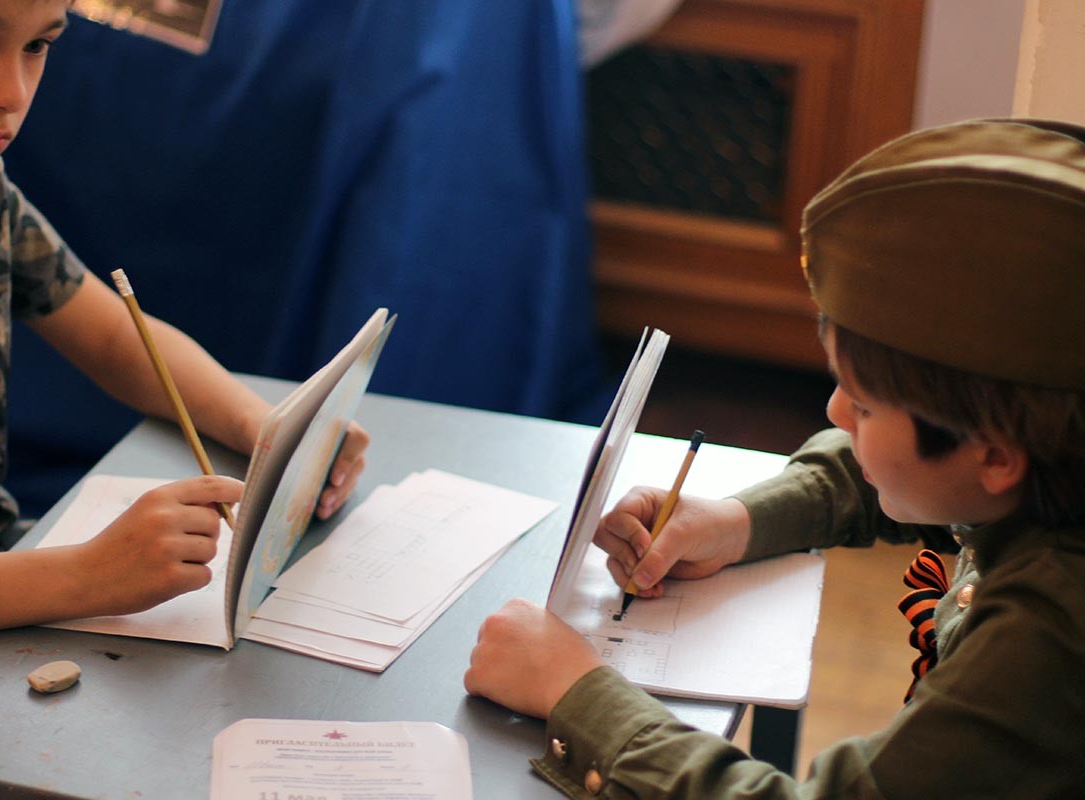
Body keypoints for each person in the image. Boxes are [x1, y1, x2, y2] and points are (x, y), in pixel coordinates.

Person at [464, 117, 1085, 798]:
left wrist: (577, 693)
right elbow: (891, 473)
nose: (835, 415)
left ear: (995, 454)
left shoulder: (1048, 638)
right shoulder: (1044, 462)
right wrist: (738, 521)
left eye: (864, 405)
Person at [0, 0, 368, 646]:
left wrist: (268, 433)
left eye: (37, 46)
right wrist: (86, 575)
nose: (11, 94)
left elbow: (115, 337)